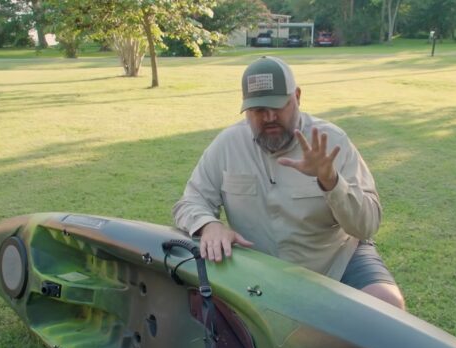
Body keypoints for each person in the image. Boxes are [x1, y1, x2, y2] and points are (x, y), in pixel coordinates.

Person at [172, 56, 405, 309]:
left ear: (297, 97)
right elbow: (191, 201)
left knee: (388, 305)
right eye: (259, 110)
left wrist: (331, 181)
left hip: (335, 260)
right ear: (246, 109)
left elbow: (366, 226)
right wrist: (209, 225)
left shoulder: (332, 141)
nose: (270, 117)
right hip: (260, 268)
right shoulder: (228, 145)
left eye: (279, 106)